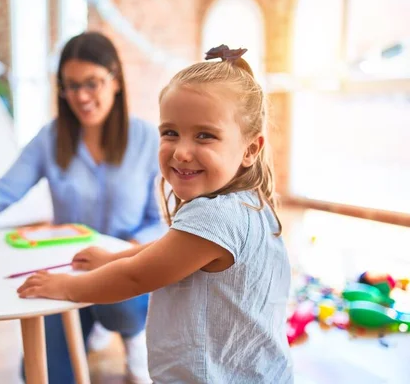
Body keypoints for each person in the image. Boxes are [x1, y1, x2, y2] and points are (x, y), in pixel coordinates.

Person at [17, 45, 293, 383]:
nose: (181, 151)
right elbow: (170, 251)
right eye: (170, 133)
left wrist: (67, 287)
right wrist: (112, 257)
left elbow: (135, 277)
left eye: (205, 136)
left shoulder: (216, 216)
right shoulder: (248, 203)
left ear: (250, 149)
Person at [0, 32, 165, 383]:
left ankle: (131, 335)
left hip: (127, 269)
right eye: (70, 86)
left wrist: (122, 255)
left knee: (122, 304)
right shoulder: (51, 138)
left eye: (92, 83)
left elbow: (159, 222)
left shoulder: (148, 139)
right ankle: (92, 324)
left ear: (116, 81)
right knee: (38, 372)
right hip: (71, 270)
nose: (81, 96)